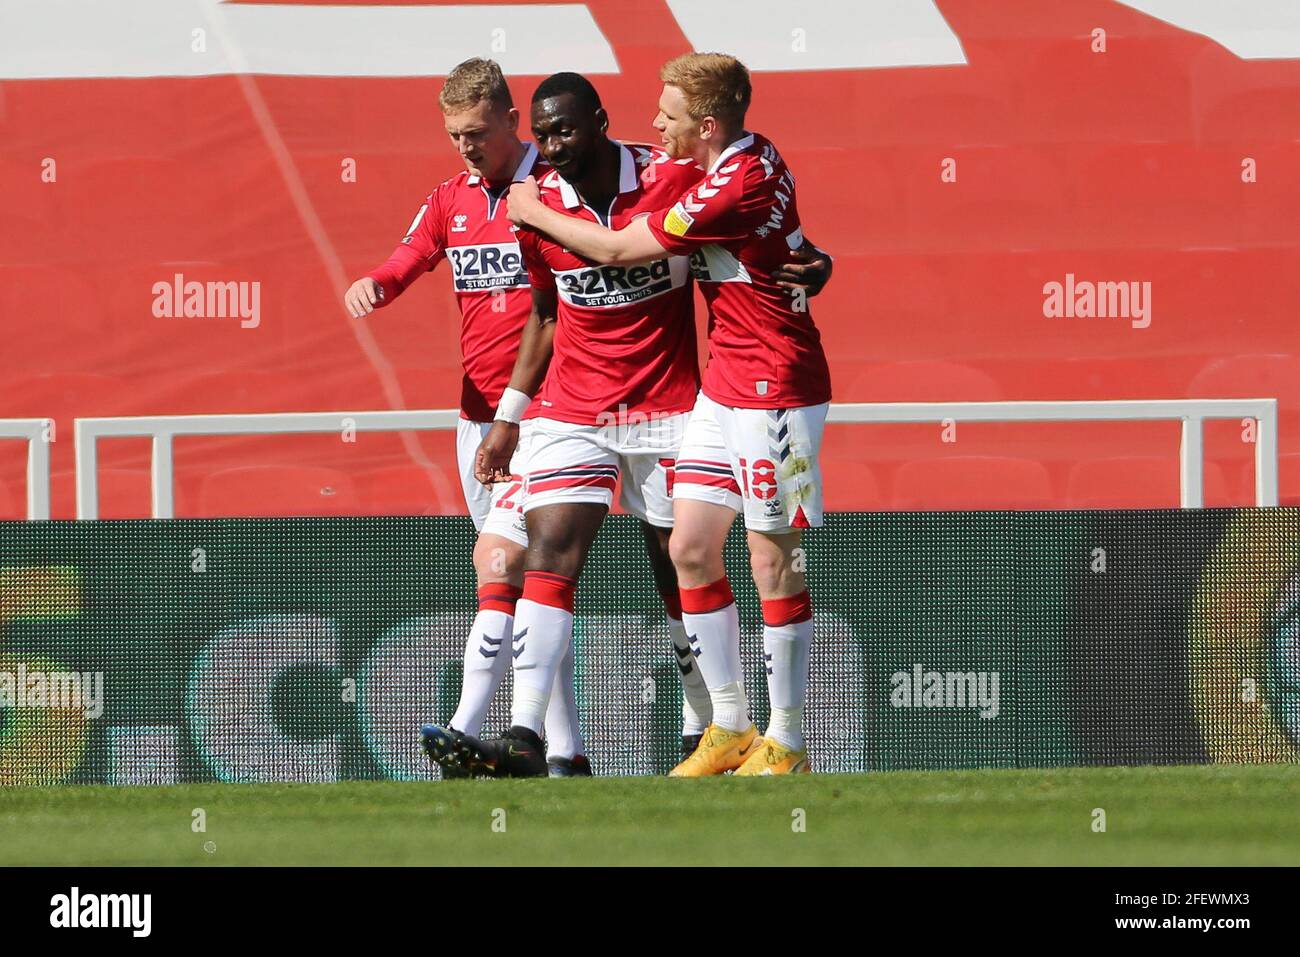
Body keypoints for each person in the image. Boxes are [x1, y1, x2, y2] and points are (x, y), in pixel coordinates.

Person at [424, 69, 831, 777]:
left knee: (768, 558)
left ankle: (777, 735)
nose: (548, 147)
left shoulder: (679, 178)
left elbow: (616, 250)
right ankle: (540, 739)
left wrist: (529, 209)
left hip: (756, 392)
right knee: (658, 550)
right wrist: (511, 416)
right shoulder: (736, 158)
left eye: (667, 113)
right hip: (643, 402)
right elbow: (548, 310)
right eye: (541, 133)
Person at [343, 58, 592, 775]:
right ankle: (564, 753)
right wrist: (375, 285)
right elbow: (408, 256)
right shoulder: (450, 199)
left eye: (477, 132)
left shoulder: (552, 193)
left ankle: (474, 728)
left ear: (513, 121)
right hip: (476, 421)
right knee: (522, 583)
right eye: (454, 135)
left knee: (510, 568)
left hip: (547, 416)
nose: (465, 146)